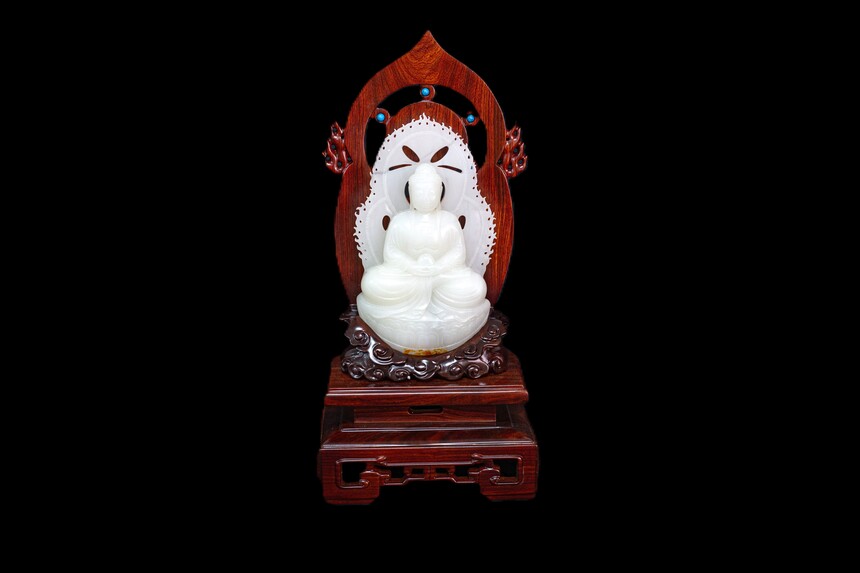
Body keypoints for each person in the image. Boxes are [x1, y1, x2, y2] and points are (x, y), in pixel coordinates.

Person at [357, 164, 490, 354]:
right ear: (411, 194)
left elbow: (458, 253)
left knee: (476, 287)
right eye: (420, 192)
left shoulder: (449, 220)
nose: (426, 196)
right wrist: (413, 267)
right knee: (371, 282)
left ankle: (430, 306)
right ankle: (424, 305)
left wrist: (437, 267)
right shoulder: (400, 220)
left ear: (439, 193)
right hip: (408, 277)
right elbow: (391, 253)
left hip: (442, 278)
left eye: (431, 192)